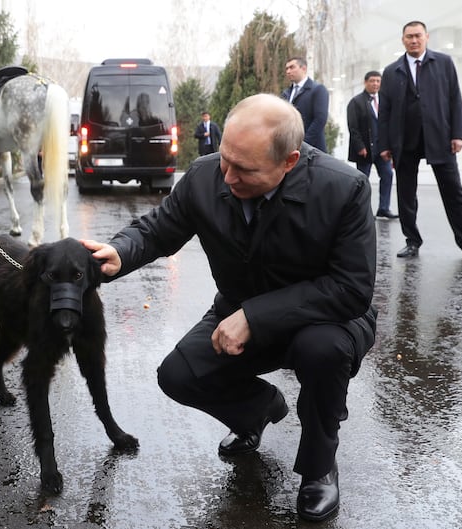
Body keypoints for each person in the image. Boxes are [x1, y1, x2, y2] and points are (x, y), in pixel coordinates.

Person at [82, 94, 377, 522]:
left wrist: (255, 318)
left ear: (289, 161)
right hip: (238, 309)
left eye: (245, 169)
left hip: (328, 318)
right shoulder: (206, 175)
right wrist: (120, 252)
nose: (228, 176)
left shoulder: (342, 188)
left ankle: (318, 467)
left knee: (322, 352)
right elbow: (159, 229)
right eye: (225, 159)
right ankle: (257, 411)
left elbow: (351, 288)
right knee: (179, 374)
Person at [378, 20, 462, 258]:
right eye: (409, 36)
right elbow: (385, 111)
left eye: (418, 36)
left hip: (440, 137)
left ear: (426, 37)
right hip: (404, 140)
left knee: (453, 191)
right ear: (403, 39)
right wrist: (384, 144)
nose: (414, 40)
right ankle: (412, 241)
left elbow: (455, 98)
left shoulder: (443, 63)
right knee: (406, 194)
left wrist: (458, 134)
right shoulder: (392, 71)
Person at [347, 71, 398, 219]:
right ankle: (363, 210)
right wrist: (360, 146)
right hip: (365, 149)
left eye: (378, 81)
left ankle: (384, 208)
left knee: (388, 175)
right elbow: (353, 127)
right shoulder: (356, 102)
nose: (375, 84)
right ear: (365, 82)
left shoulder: (385, 101)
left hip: (383, 149)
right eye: (372, 81)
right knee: (363, 181)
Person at [281, 56, 329, 152]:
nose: (288, 71)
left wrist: (303, 144)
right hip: (290, 147)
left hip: (312, 149)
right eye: (286, 69)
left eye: (292, 67)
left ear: (303, 68)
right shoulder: (286, 93)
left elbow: (320, 120)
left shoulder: (318, 90)